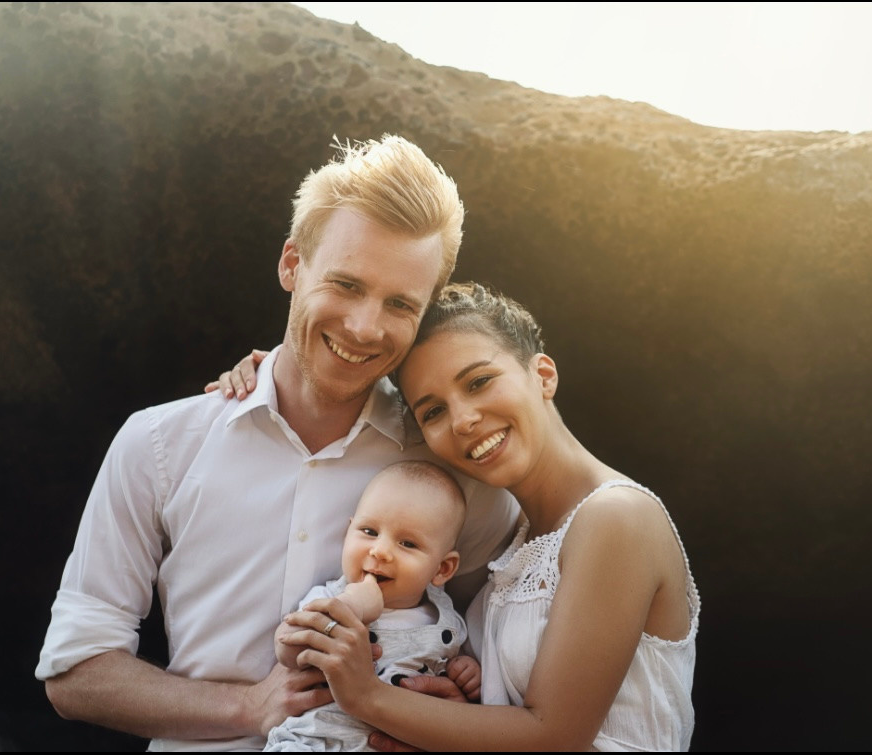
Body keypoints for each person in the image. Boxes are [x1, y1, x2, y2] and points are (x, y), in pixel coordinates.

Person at [35, 136, 519, 751]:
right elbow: (75, 674)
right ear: (292, 264)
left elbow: (495, 646)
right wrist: (248, 706)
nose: (365, 327)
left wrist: (455, 706)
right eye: (345, 284)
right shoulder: (159, 443)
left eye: (400, 303)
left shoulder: (448, 465)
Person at [218, 282, 700, 751]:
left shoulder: (617, 517)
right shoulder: (513, 541)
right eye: (433, 412)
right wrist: (283, 376)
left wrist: (368, 696)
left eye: (479, 381)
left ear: (544, 375)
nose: (464, 419)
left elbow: (555, 737)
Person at [266, 459, 481, 751]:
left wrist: (466, 671)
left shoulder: (447, 620)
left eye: (407, 544)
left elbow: (450, 672)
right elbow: (287, 648)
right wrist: (348, 607)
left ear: (442, 568)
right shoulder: (330, 597)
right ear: (348, 532)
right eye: (369, 532)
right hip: (314, 740)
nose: (380, 551)